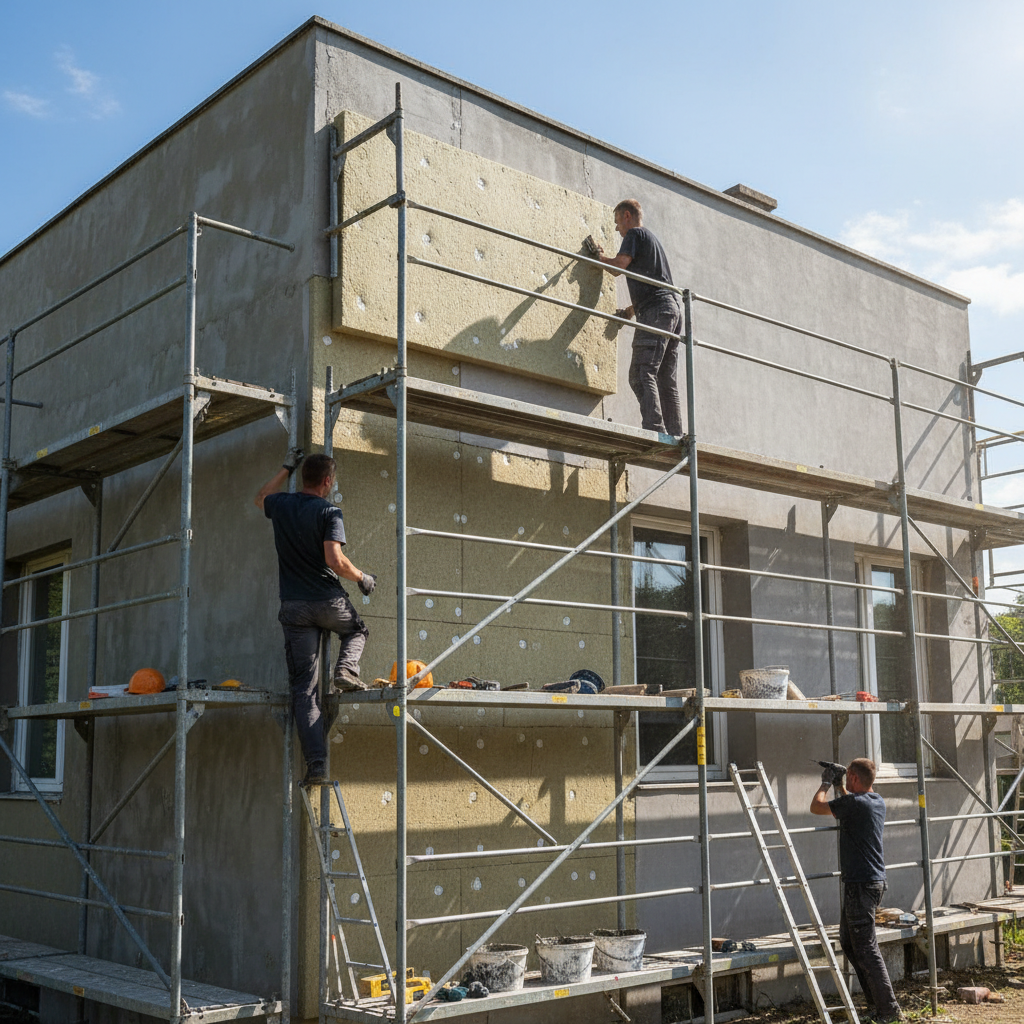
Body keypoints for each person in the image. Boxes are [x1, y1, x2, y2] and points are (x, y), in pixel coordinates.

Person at [256, 449, 377, 786]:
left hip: (293, 608)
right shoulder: (329, 511)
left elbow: (260, 497)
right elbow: (335, 560)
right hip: (326, 601)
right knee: (356, 631)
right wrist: (363, 578)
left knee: (304, 692)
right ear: (327, 481)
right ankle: (346, 670)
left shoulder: (280, 504)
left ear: (303, 477)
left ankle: (317, 767)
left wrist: (285, 466)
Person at [810, 757, 903, 1023]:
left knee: (866, 948)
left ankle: (889, 1010)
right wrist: (842, 783)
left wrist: (826, 782)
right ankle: (878, 1004)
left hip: (861, 885)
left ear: (853, 777)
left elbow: (816, 806)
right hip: (867, 883)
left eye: (847, 778)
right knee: (850, 942)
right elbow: (849, 802)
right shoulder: (875, 801)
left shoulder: (854, 803)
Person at [593, 198, 683, 436]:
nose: (616, 229)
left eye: (616, 222)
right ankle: (674, 433)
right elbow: (654, 285)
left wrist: (598, 257)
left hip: (657, 311)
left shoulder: (634, 235)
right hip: (671, 310)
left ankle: (654, 430)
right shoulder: (652, 241)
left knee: (641, 372)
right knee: (665, 377)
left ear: (626, 216)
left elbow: (618, 267)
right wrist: (629, 312)